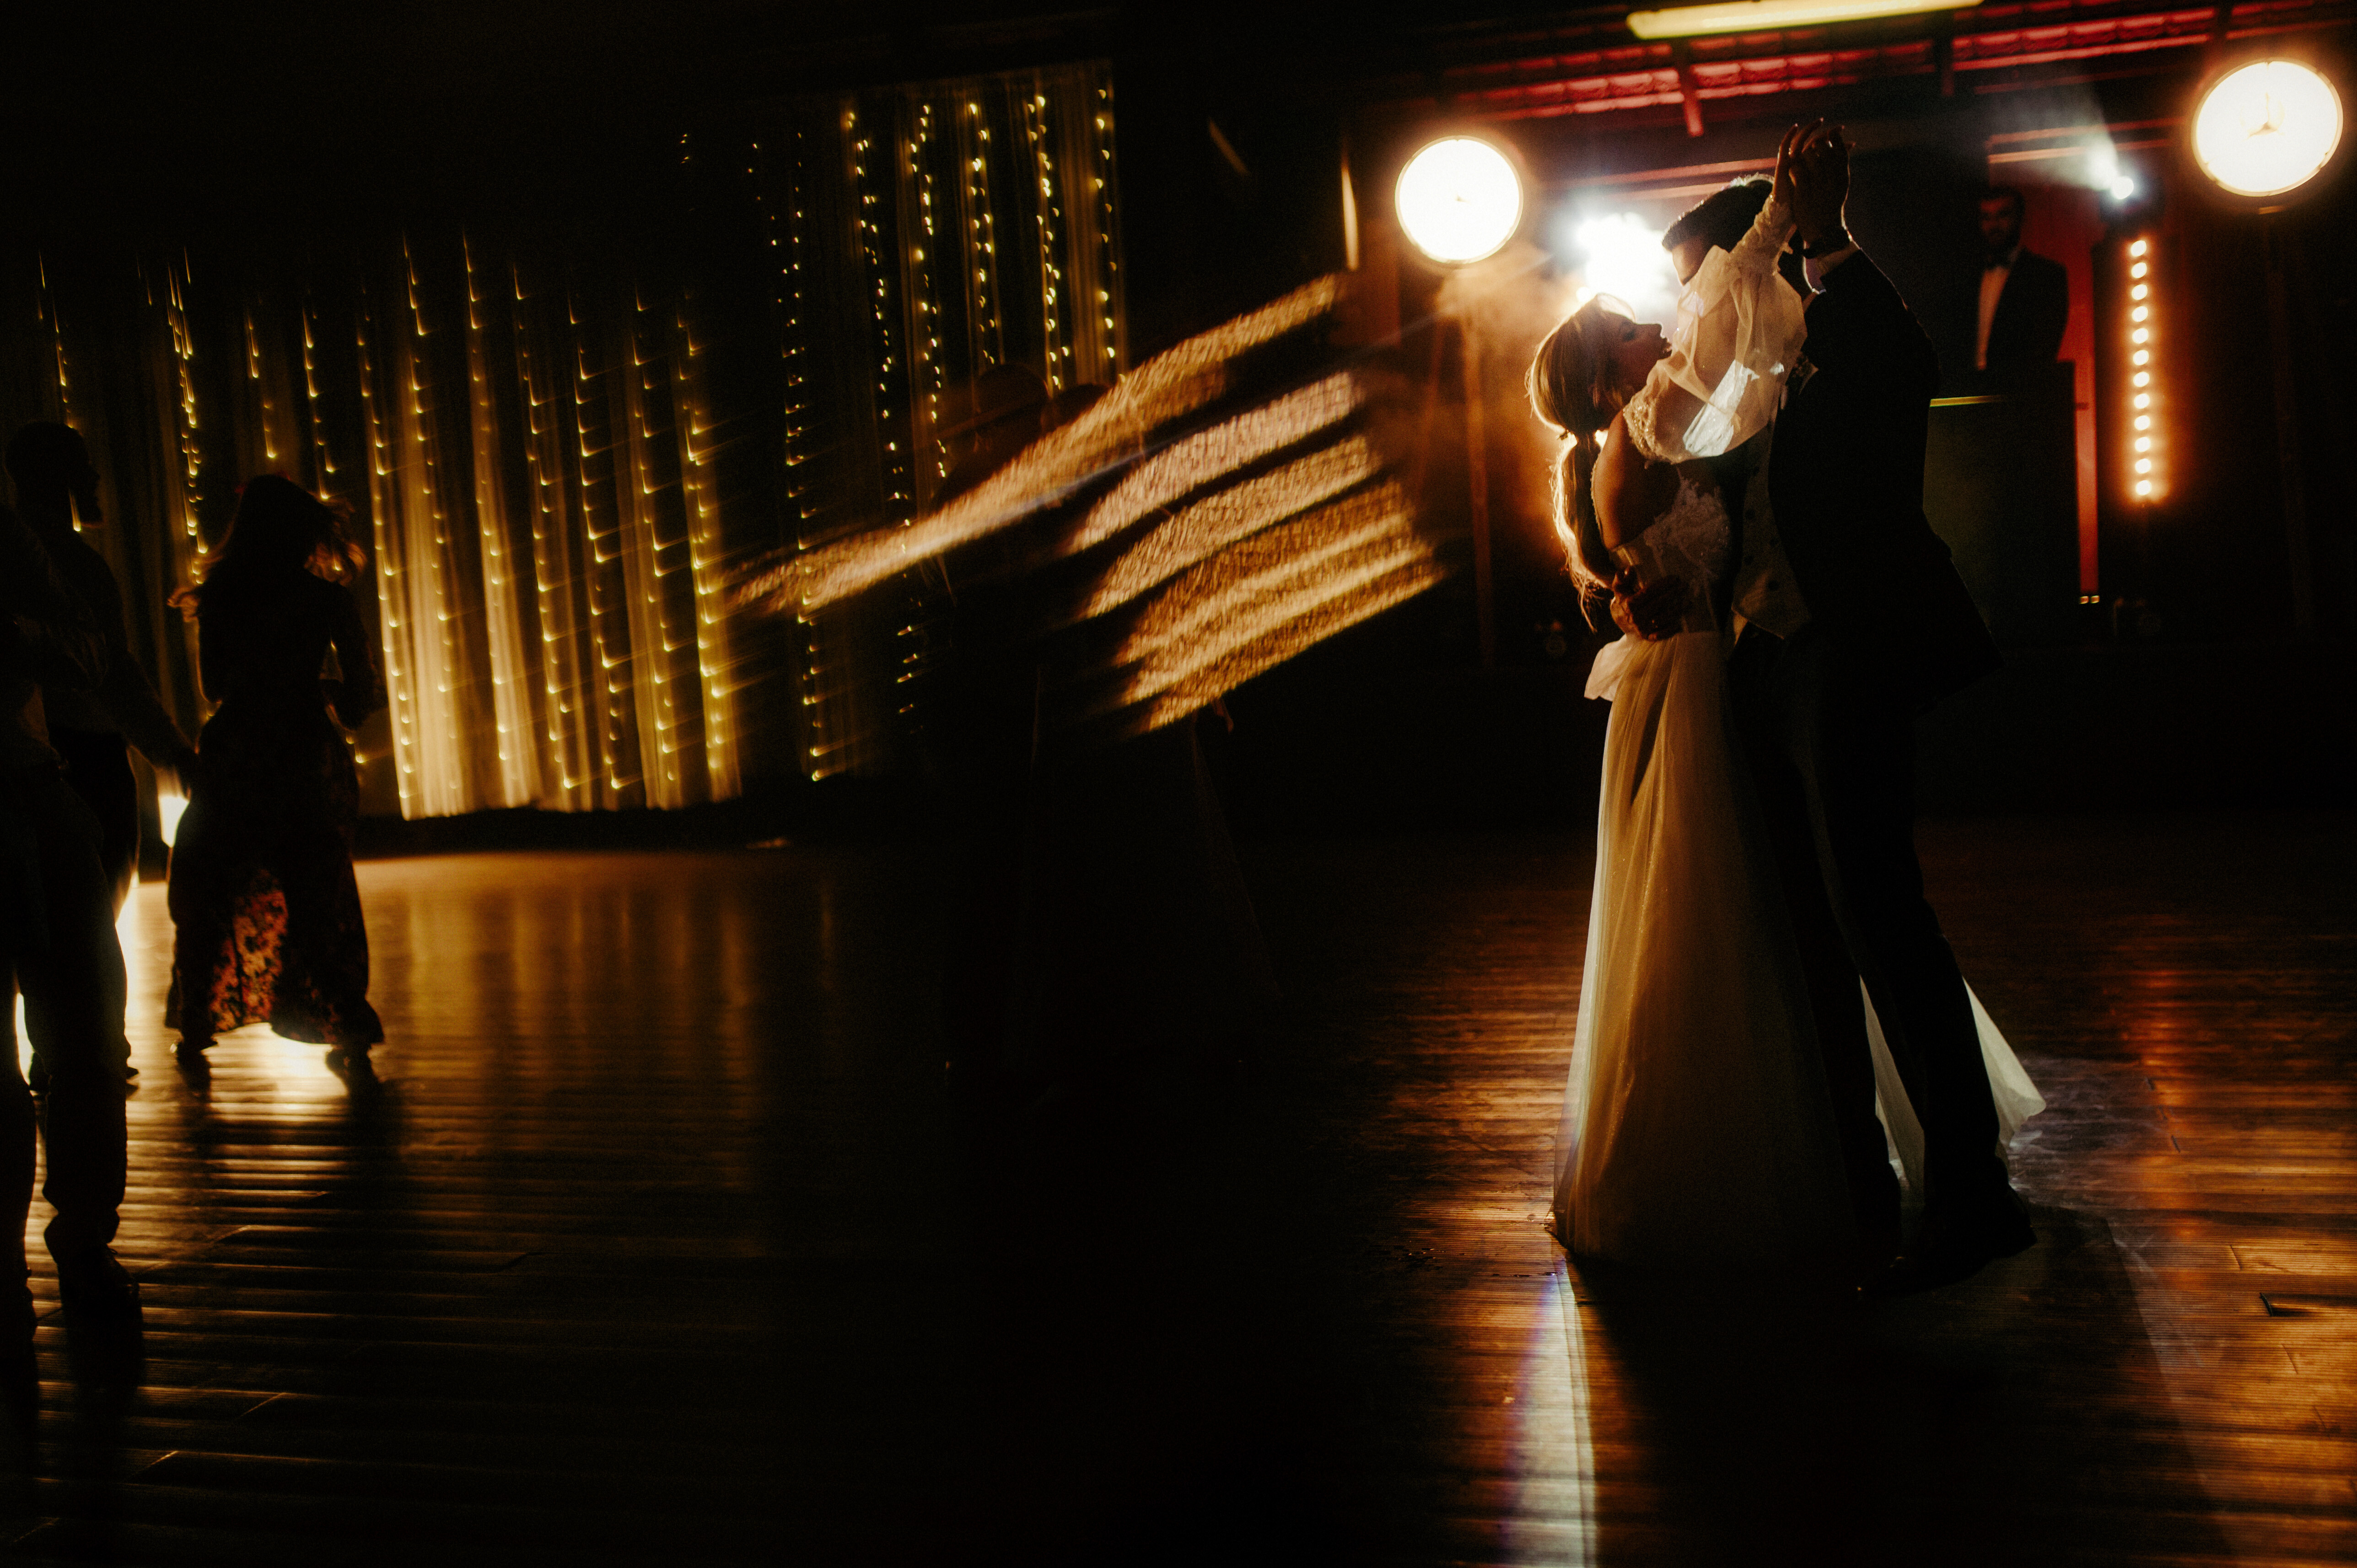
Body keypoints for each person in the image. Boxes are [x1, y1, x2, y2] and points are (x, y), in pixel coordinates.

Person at [1541, 123, 2041, 1283]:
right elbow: (1657, 500)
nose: (1686, 317)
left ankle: (1974, 1195)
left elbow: (1903, 365)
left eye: (1698, 288)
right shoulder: (1716, 394)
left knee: (1879, 914)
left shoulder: (1842, 331)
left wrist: (1821, 237)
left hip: (1842, 652)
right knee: (1804, 937)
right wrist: (1632, 589)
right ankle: (1854, 1185)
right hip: (1755, 670)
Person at [165, 475, 384, 1079]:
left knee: (212, 887)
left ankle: (198, 1025)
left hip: (238, 753)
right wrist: (322, 690)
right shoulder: (326, 600)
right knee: (318, 893)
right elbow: (361, 699)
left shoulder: (221, 597)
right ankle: (346, 1027)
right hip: (305, 753)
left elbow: (215, 687)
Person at [8, 423, 202, 1092]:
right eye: (84, 466)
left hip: (54, 751)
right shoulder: (66, 563)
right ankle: (83, 1055)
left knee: (53, 921)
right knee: (86, 920)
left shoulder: (53, 557)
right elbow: (110, 667)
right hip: (82, 755)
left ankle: (66, 1051)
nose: (95, 479)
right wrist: (169, 748)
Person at [0, 499, 140, 1337]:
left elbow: (89, 648)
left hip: (28, 790)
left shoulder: (6, 533)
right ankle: (62, 1254)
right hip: (31, 789)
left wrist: (17, 634)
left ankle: (75, 1244)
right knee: (82, 1039)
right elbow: (90, 648)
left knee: (88, 1039)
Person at [1973, 186, 2069, 374]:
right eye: (1986, 218)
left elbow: (2044, 348)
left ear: (2020, 219)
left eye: (2003, 215)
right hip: (1967, 387)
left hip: (2019, 386)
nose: (1994, 225)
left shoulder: (2046, 276)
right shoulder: (1965, 278)